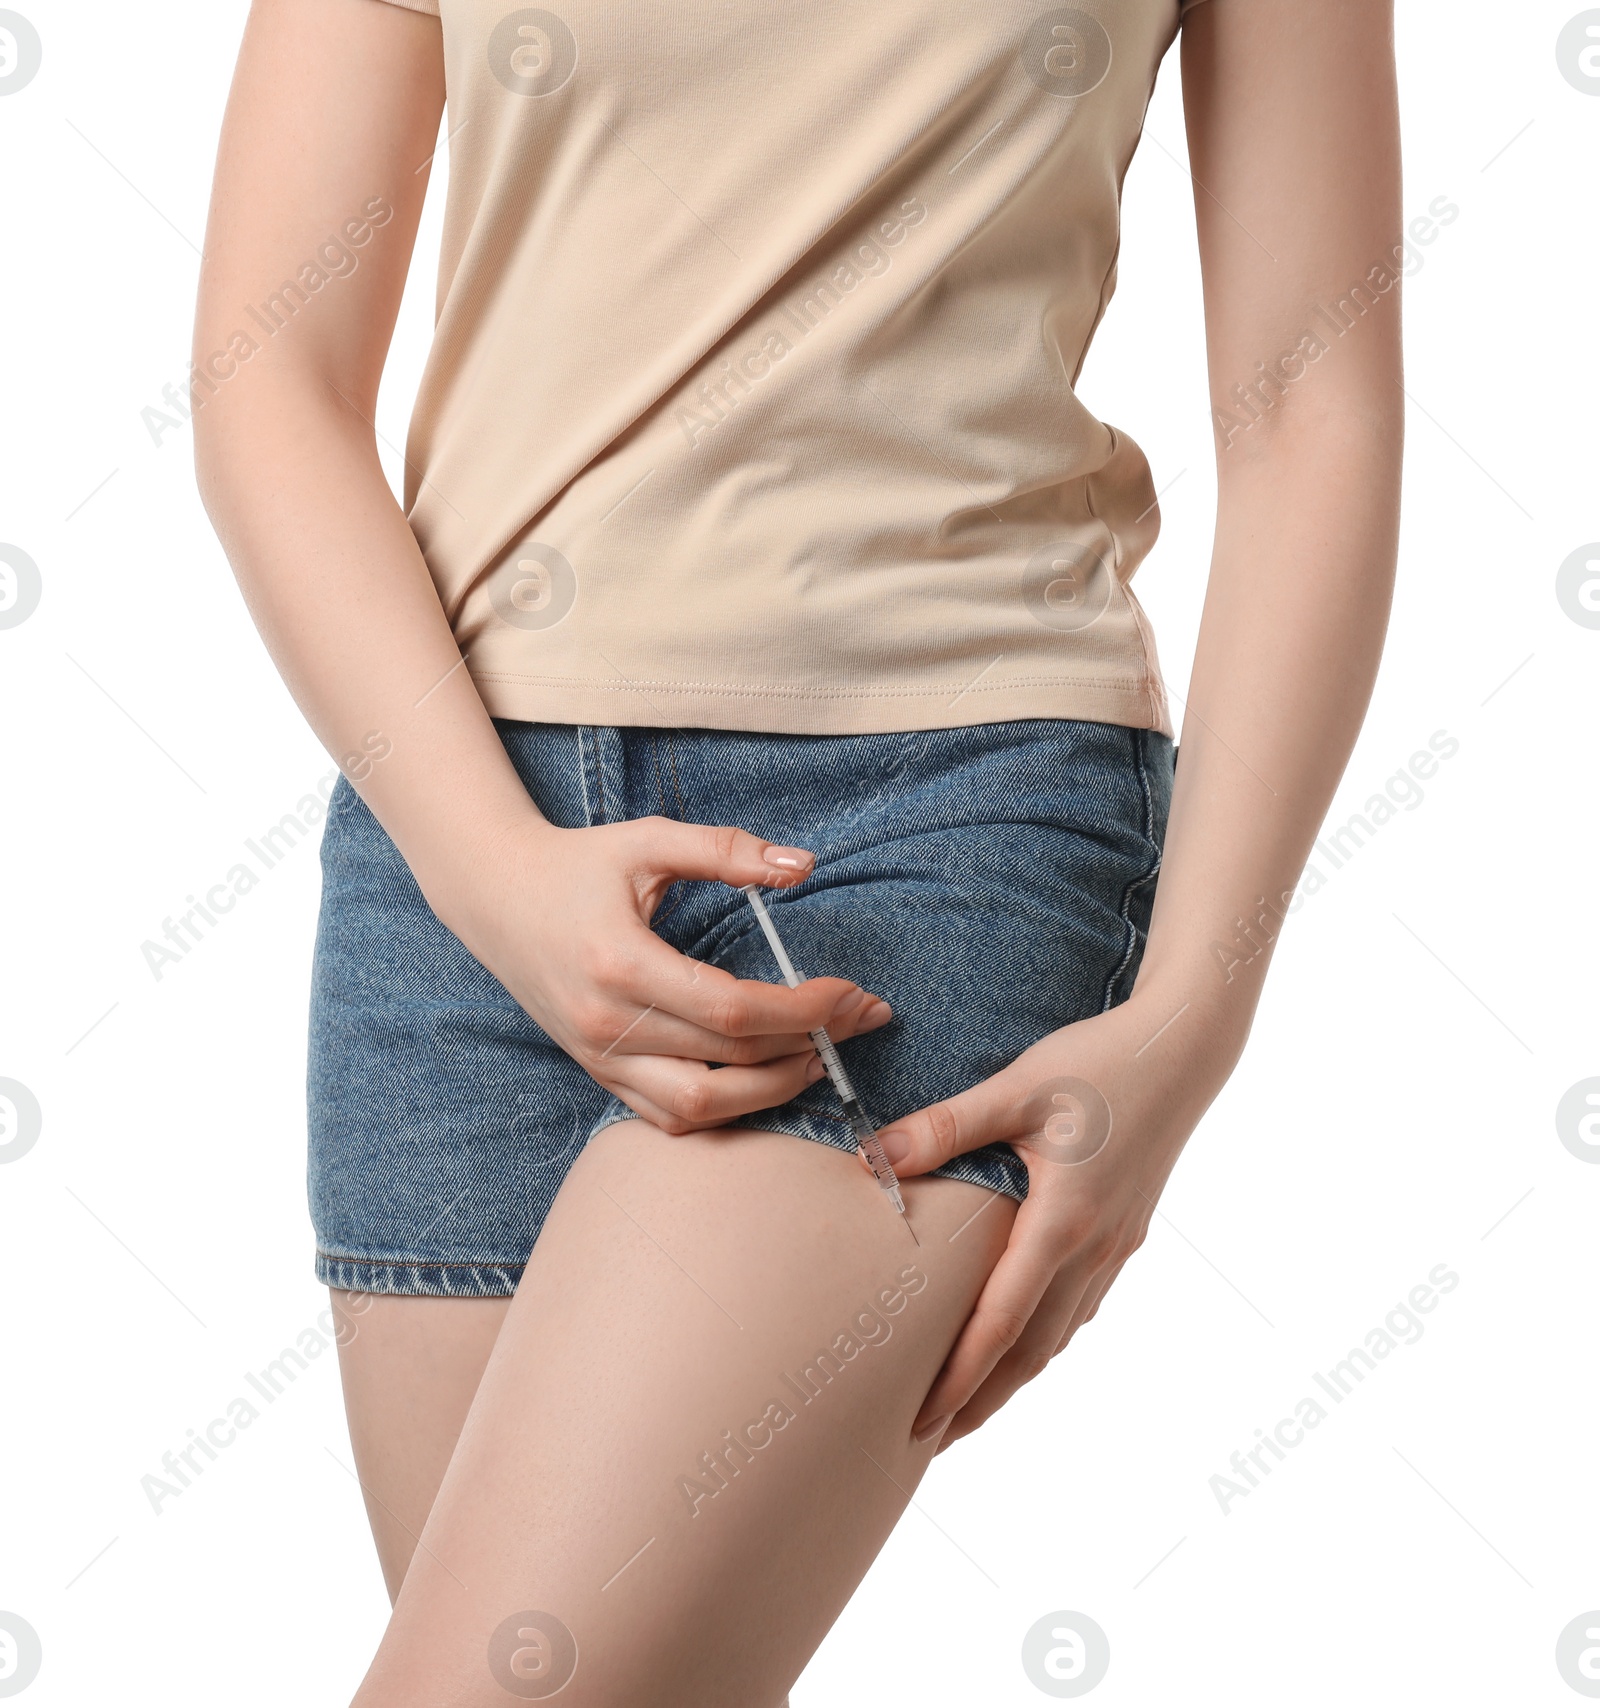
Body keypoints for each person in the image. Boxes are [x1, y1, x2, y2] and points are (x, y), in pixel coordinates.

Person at [192, 0, 1402, 1700]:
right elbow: (271, 384)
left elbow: (1311, 415)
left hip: (937, 823)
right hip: (459, 849)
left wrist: (1197, 1011)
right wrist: (494, 877)